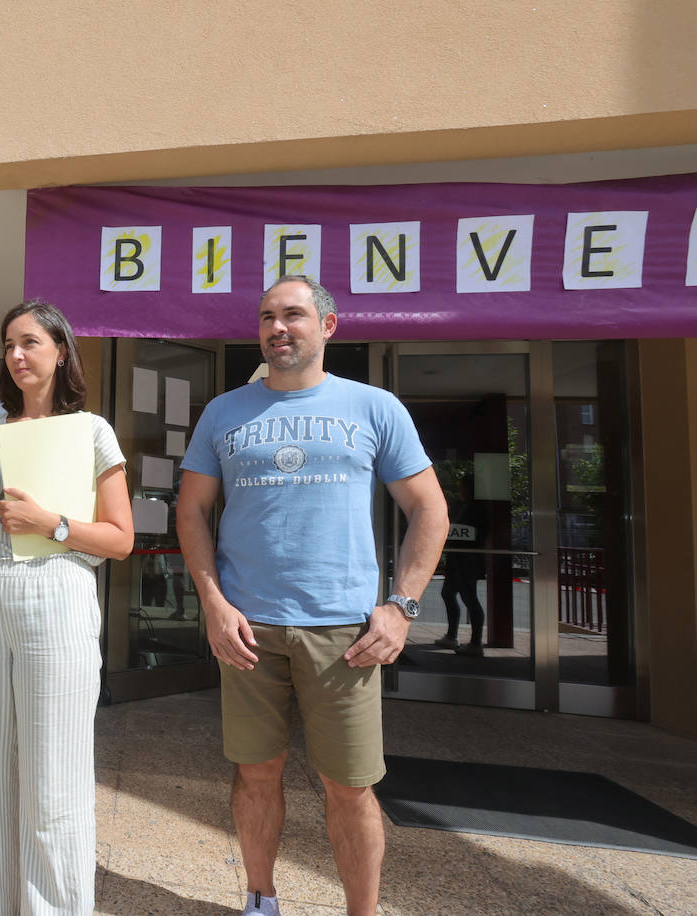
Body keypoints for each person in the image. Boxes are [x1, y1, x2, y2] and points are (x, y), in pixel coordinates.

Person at [176, 275, 448, 916]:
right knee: (255, 772)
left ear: (328, 326)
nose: (278, 327)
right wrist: (213, 604)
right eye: (268, 315)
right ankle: (260, 900)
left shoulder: (374, 407)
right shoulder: (223, 412)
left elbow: (429, 510)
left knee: (350, 786)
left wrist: (402, 606)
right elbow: (191, 513)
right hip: (247, 629)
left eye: (293, 315)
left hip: (344, 633)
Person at [0, 299, 133, 914]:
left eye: (30, 342)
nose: (17, 355)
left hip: (57, 592)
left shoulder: (92, 431)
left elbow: (120, 539)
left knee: (54, 774)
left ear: (61, 350)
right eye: (7, 344)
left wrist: (50, 523)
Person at [437, 475, 488, 655]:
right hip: (459, 559)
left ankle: (475, 643)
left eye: (462, 486)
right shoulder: (468, 507)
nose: (460, 490)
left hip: (466, 560)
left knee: (470, 599)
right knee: (448, 593)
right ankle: (452, 636)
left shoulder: (474, 508)